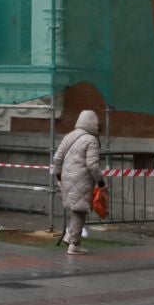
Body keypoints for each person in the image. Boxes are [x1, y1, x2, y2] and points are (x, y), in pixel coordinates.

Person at [51, 109, 104, 256]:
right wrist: (101, 182)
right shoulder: (91, 140)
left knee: (77, 210)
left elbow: (57, 158)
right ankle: (74, 244)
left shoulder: (69, 136)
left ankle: (70, 237)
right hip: (82, 180)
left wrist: (59, 177)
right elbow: (92, 165)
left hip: (66, 179)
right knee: (80, 211)